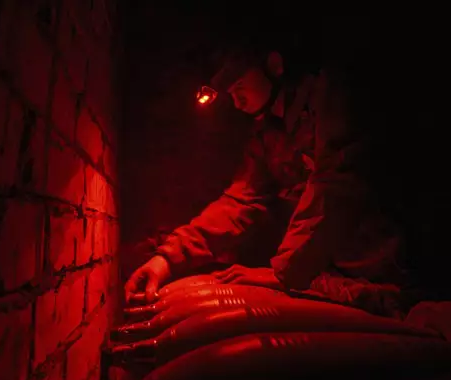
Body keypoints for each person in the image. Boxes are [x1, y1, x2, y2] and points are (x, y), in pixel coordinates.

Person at [124, 36, 409, 319]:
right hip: (329, 279)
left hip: (383, 272)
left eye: (239, 86)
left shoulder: (329, 96)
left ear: (273, 65)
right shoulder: (267, 135)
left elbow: (335, 186)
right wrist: (166, 259)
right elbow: (238, 203)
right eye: (230, 94)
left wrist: (282, 273)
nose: (236, 102)